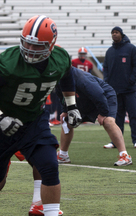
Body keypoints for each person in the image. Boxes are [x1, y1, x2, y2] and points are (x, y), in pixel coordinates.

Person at [0, 15, 82, 216]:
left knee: (49, 166)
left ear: (51, 45)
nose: (30, 49)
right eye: (27, 43)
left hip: (34, 121)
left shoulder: (60, 58)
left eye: (37, 46)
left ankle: (49, 212)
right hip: (3, 123)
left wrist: (71, 106)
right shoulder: (8, 62)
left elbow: (67, 75)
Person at [56, 67, 132, 166]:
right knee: (67, 120)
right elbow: (62, 96)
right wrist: (65, 111)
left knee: (108, 122)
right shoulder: (58, 78)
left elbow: (99, 95)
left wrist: (103, 113)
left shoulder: (81, 78)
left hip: (104, 96)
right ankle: (63, 155)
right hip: (84, 100)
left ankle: (124, 156)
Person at [103, 26, 136, 148]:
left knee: (134, 115)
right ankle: (115, 141)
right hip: (115, 91)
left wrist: (132, 80)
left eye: (116, 32)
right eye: (112, 33)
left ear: (121, 34)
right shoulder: (109, 51)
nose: (114, 35)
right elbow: (106, 68)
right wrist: (107, 82)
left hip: (129, 90)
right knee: (116, 118)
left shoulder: (131, 49)